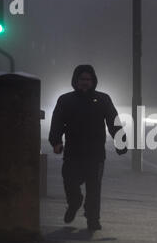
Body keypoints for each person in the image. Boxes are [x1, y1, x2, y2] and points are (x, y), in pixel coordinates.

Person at [49, 64, 127, 233]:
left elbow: (113, 122)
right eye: (82, 79)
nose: (85, 82)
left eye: (88, 79)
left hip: (95, 153)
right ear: (75, 81)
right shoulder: (66, 100)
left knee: (94, 188)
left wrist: (120, 142)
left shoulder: (103, 99)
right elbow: (57, 122)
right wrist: (56, 141)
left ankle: (93, 219)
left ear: (93, 81)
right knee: (70, 181)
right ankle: (75, 202)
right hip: (73, 152)